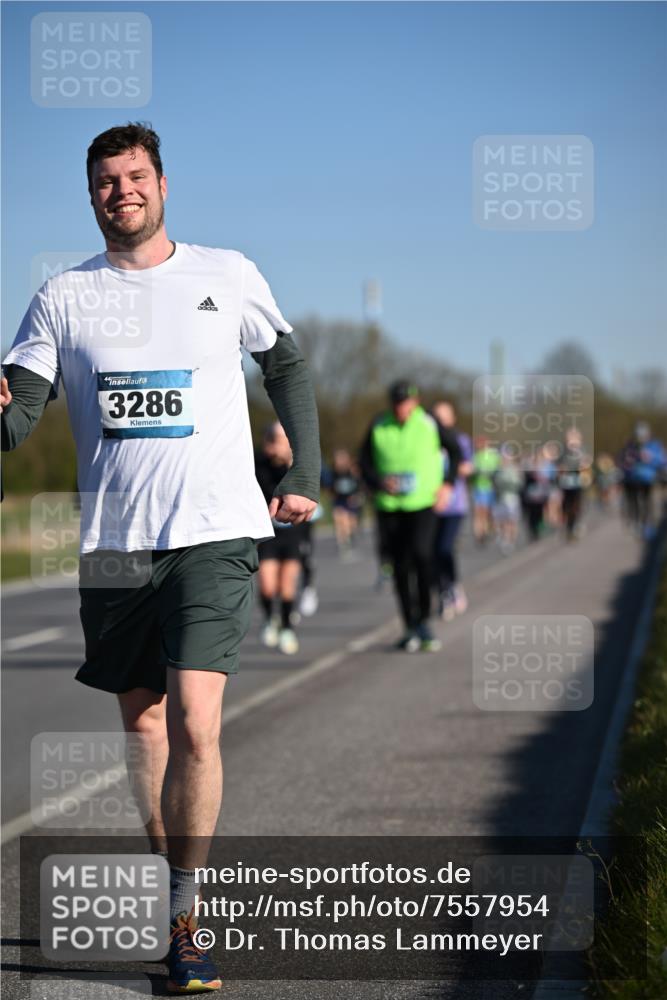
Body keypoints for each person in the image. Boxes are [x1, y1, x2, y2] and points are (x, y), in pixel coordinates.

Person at [0, 123, 320, 994]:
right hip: (113, 547)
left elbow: (285, 365)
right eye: (105, 181)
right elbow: (16, 419)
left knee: (195, 723)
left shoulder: (227, 274)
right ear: (91, 194)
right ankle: (173, 886)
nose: (121, 192)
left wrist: (306, 470)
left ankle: (184, 918)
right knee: (143, 725)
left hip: (213, 532)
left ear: (163, 185)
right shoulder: (62, 297)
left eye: (135, 177)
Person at [360, 380, 461, 652]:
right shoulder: (379, 424)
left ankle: (424, 620)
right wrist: (380, 482)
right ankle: (409, 625)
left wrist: (447, 484)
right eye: (396, 402)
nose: (401, 408)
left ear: (415, 401)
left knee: (423, 557)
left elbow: (455, 450)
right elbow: (364, 461)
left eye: (405, 402)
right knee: (401, 567)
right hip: (390, 506)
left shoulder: (429, 422)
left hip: (423, 503)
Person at [255, 422, 309, 654]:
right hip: (268, 534)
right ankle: (270, 619)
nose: (274, 444)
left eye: (279, 439)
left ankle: (287, 627)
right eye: (271, 439)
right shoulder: (258, 464)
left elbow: (310, 486)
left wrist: (288, 462)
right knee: (267, 586)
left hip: (292, 535)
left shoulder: (297, 464)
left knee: (286, 584)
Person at [431, 401, 473, 620]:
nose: (440, 420)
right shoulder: (428, 440)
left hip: (454, 505)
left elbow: (468, 465)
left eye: (444, 416)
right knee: (431, 552)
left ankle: (453, 586)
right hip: (430, 504)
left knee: (445, 548)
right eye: (437, 416)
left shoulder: (460, 440)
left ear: (452, 418)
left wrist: (452, 469)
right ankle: (442, 592)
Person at [618, 422, 666, 538]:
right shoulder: (631, 445)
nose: (641, 437)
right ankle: (637, 523)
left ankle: (647, 525)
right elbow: (623, 461)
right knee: (636, 503)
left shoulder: (655, 445)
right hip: (633, 479)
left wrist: (651, 458)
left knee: (648, 503)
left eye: (643, 434)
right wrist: (631, 461)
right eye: (638, 435)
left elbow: (662, 461)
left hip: (649, 479)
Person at [328, 448, 365, 559]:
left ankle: (350, 536)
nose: (340, 462)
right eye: (338, 459)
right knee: (340, 521)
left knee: (351, 524)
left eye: (342, 459)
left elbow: (359, 485)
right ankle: (343, 544)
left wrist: (357, 497)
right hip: (340, 501)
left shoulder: (353, 471)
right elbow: (330, 488)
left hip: (351, 501)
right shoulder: (334, 473)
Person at [557, 427, 591, 541]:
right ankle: (568, 527)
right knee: (566, 506)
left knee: (576, 506)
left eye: (574, 437)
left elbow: (586, 465)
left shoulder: (582, 451)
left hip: (578, 482)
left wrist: (584, 469)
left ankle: (574, 526)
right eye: (569, 437)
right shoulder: (563, 452)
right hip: (566, 483)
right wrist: (562, 470)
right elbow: (559, 467)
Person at [492, 447, 524, 554]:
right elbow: (494, 483)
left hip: (512, 498)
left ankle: (511, 540)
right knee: (502, 520)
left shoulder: (514, 469)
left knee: (511, 521)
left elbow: (519, 484)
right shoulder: (497, 470)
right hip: (500, 498)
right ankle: (505, 539)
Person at [471, 436, 500, 544]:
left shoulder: (493, 456)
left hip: (490, 488)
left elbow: (498, 469)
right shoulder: (475, 456)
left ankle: (486, 530)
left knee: (487, 512)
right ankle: (479, 533)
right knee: (478, 511)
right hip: (478, 487)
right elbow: (471, 470)